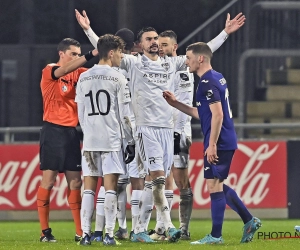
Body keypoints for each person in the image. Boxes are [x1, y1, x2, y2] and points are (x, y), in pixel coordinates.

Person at [75, 9, 245, 243]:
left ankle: (140, 230)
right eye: (149, 39)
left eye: (156, 39)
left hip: (167, 130)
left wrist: (225, 33)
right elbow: (106, 50)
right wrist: (87, 30)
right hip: (145, 129)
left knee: (157, 181)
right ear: (140, 45)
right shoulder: (134, 63)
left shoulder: (170, 64)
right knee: (156, 178)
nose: (154, 42)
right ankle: (166, 224)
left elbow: (204, 52)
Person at [163, 42, 262, 244]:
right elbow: (204, 113)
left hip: (220, 141)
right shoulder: (216, 77)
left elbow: (218, 115)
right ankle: (249, 220)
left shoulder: (207, 82)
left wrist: (212, 144)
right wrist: (176, 104)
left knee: (214, 186)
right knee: (217, 185)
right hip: (224, 139)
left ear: (200, 59)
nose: (186, 61)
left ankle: (216, 236)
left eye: (189, 58)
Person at [75, 34, 135, 246]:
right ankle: (109, 234)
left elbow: (80, 112)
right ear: (111, 52)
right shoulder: (118, 77)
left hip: (90, 139)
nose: (122, 56)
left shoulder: (84, 77)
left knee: (89, 188)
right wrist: (130, 140)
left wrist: (88, 132)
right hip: (111, 139)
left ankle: (85, 235)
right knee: (110, 187)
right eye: (120, 52)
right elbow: (124, 114)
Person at [37, 38, 97, 243]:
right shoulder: (50, 70)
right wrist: (89, 55)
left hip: (71, 132)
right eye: (74, 54)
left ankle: (80, 231)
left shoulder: (79, 74)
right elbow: (62, 71)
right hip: (52, 131)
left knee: (76, 182)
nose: (77, 57)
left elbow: (98, 72)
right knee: (50, 180)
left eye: (79, 54)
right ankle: (45, 231)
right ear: (61, 54)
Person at [90, 28, 145, 242]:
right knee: (137, 181)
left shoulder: (110, 69)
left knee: (110, 183)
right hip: (132, 127)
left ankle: (103, 230)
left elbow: (101, 45)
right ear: (135, 45)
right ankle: (136, 229)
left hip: (110, 130)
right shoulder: (138, 63)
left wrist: (88, 30)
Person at [149, 30, 194, 241]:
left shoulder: (183, 73)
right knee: (161, 180)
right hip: (162, 131)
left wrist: (176, 135)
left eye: (165, 45)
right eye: (160, 44)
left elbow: (184, 107)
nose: (161, 48)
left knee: (180, 180)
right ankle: (162, 227)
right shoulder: (161, 69)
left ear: (175, 48)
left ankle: (184, 229)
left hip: (177, 132)